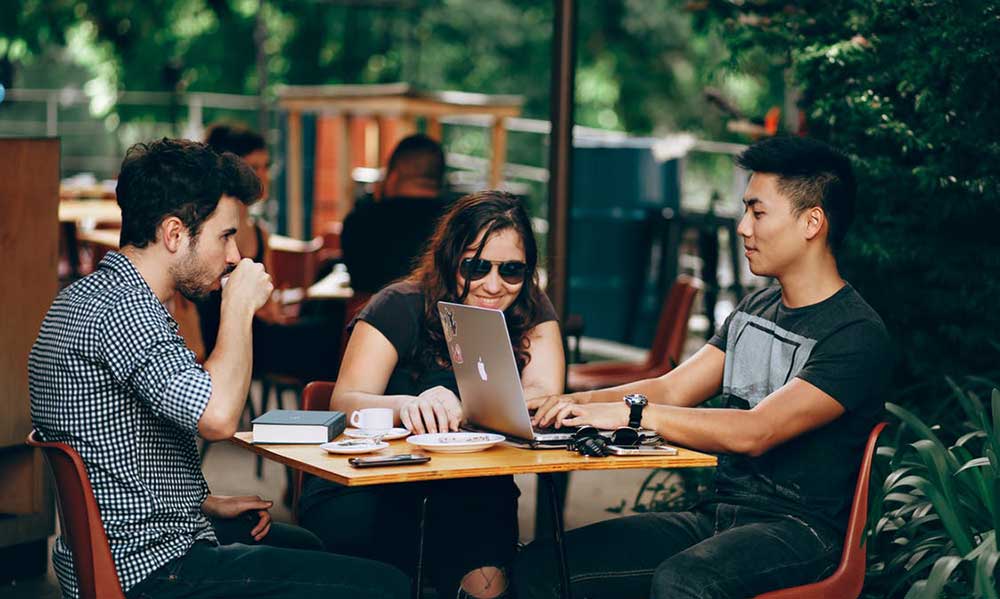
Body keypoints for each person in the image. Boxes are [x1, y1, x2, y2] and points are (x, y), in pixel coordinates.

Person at [28, 138, 409, 599]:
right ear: (174, 234)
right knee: (387, 585)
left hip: (124, 551)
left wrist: (201, 504)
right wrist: (238, 307)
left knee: (307, 543)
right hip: (152, 572)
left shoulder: (83, 298)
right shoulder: (127, 311)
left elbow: (109, 450)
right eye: (225, 235)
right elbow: (219, 417)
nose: (234, 255)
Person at [517, 137, 893, 599]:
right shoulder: (757, 307)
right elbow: (673, 389)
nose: (742, 227)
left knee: (684, 582)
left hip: (800, 532)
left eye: (758, 212)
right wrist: (567, 403)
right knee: (541, 566)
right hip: (718, 515)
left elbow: (756, 431)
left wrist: (632, 413)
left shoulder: (855, 333)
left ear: (812, 222)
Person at [298, 190, 565, 599]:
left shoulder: (529, 308)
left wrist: (482, 405)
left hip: (471, 486)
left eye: (512, 270)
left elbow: (542, 396)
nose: (494, 285)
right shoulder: (398, 305)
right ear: (449, 259)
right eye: (476, 268)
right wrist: (407, 406)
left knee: (482, 517)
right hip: (375, 483)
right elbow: (345, 401)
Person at [340, 133, 451, 295]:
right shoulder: (456, 221)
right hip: (436, 317)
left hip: (370, 316)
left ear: (392, 176)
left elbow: (358, 282)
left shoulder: (360, 221)